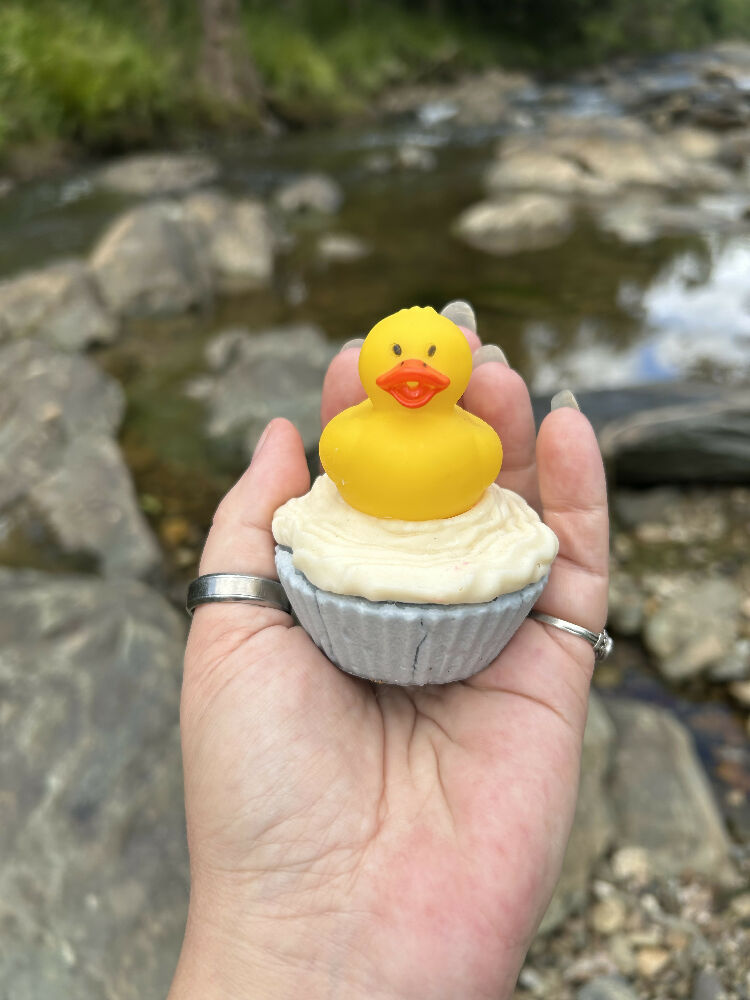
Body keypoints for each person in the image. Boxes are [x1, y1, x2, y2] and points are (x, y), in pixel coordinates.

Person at [168, 302, 609, 999]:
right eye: (401, 352)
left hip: (474, 557)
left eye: (432, 356)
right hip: (344, 551)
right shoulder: (347, 438)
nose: (415, 370)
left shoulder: (477, 445)